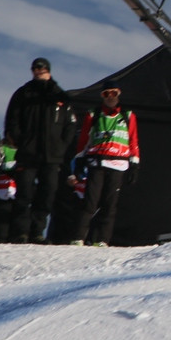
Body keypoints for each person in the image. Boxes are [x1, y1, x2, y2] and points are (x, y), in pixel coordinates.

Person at [4, 57, 78, 243]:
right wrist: (21, 141)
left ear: (48, 70)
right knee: (24, 194)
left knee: (47, 193)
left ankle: (37, 232)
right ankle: (20, 232)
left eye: (41, 68)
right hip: (28, 154)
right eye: (35, 68)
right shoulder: (23, 93)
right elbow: (12, 120)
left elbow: (70, 126)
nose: (38, 71)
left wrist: (61, 146)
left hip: (52, 156)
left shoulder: (59, 95)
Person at [69, 80, 140, 246]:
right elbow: (84, 140)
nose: (110, 97)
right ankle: (79, 237)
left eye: (113, 93)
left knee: (110, 204)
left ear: (118, 93)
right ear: (102, 96)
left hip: (119, 164)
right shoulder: (93, 114)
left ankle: (102, 240)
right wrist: (79, 160)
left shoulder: (128, 115)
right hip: (97, 163)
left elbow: (133, 142)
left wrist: (135, 164)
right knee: (90, 201)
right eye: (106, 94)